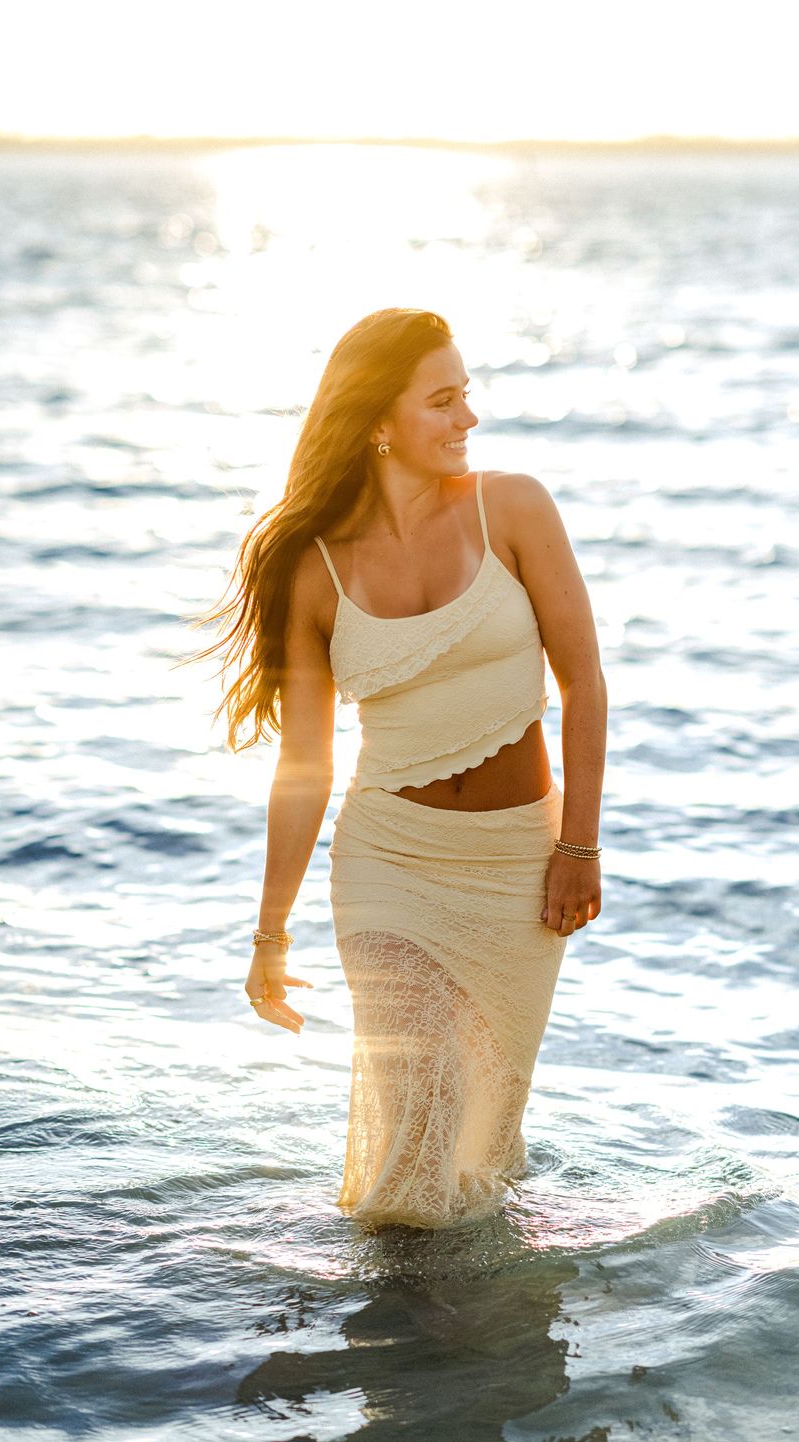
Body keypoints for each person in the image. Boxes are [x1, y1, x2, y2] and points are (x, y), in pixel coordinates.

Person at [198, 307, 607, 1231]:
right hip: (388, 866)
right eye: (444, 401)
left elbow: (584, 683)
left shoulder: (515, 509)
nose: (469, 418)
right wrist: (269, 935)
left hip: (517, 867)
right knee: (425, 1107)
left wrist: (578, 845)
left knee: (480, 1142)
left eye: (467, 395)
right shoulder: (312, 568)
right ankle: (398, 1306)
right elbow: (305, 765)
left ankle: (462, 1309)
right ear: (378, 419)